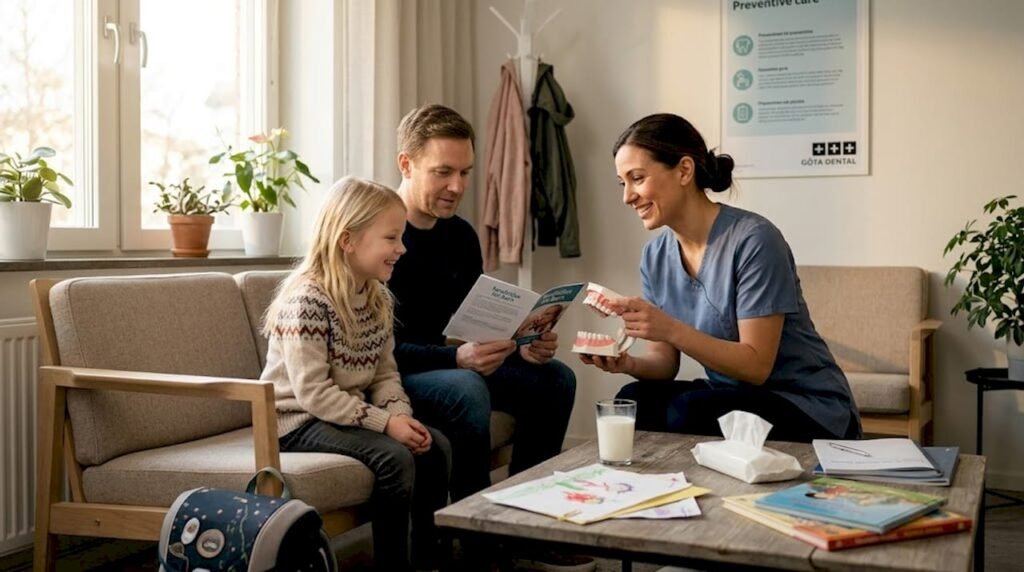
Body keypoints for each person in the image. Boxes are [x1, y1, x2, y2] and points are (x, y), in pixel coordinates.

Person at [581, 113, 861, 442]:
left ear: (684, 170)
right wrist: (625, 362)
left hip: (806, 404)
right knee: (634, 399)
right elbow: (664, 363)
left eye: (637, 178)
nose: (627, 196)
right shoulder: (655, 257)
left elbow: (756, 367)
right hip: (730, 397)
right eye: (622, 183)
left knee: (690, 410)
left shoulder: (755, 240)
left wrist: (668, 327)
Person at [387, 104, 578, 502]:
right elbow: (377, 352)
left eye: (465, 172)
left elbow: (474, 322)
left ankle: (528, 513)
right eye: (443, 172)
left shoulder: (460, 236)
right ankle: (478, 533)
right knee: (467, 386)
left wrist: (524, 344)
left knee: (556, 379)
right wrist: (457, 359)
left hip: (451, 364)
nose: (457, 186)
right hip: (394, 374)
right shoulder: (379, 237)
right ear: (406, 164)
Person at [261, 176, 451, 572]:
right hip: (296, 420)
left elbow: (385, 374)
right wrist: (386, 426)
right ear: (348, 240)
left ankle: (430, 560)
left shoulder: (376, 296)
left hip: (341, 413)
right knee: (394, 457)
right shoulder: (307, 300)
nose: (402, 248)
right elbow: (313, 393)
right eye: (391, 238)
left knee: (436, 446)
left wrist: (401, 415)